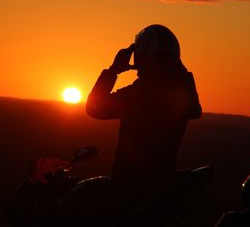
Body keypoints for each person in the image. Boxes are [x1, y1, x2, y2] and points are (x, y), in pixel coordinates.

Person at [86, 24, 202, 182]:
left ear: (142, 56)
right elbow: (194, 109)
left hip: (131, 184)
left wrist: (113, 70)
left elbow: (94, 108)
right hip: (163, 180)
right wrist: (177, 66)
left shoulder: (139, 94)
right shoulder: (180, 91)